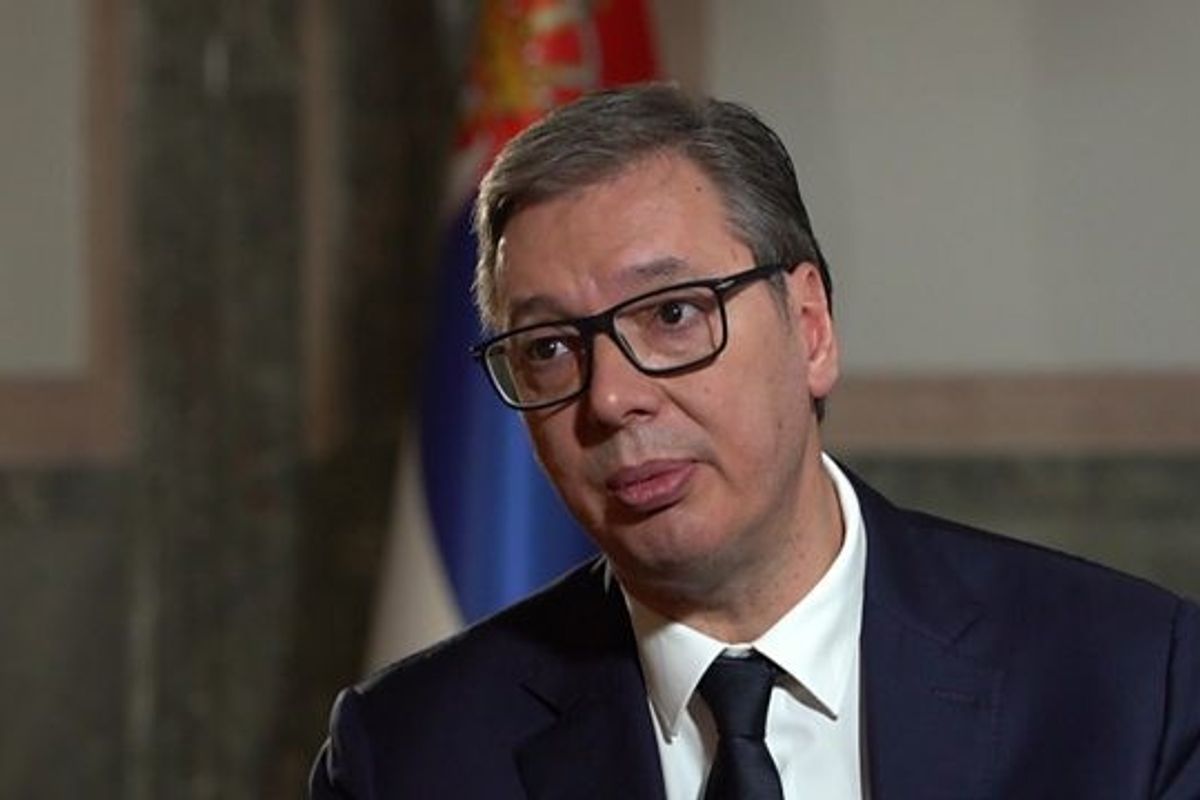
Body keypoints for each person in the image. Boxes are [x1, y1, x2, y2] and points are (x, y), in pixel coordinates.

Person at [310, 84, 1200, 799]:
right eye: (547, 349)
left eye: (671, 315)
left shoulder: (1131, 684)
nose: (611, 398)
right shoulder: (409, 754)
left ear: (810, 328)